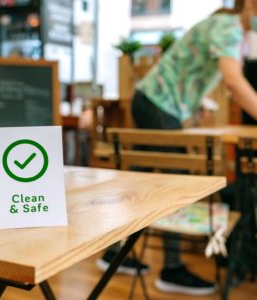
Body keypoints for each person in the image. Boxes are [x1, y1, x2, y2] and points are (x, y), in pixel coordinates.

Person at [97, 0, 257, 295]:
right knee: (176, 184)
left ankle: (114, 253)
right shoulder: (228, 27)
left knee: (140, 180)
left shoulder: (226, 29)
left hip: (150, 99)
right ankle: (171, 269)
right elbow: (233, 81)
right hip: (159, 104)